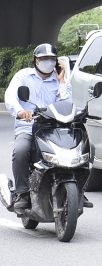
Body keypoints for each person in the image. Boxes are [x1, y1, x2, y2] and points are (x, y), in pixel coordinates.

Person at [4, 44, 71, 212]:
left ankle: (77, 186)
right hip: (28, 127)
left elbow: (67, 104)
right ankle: (22, 193)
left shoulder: (59, 80)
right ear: (35, 60)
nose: (48, 62)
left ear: (57, 62)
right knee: (20, 151)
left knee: (83, 148)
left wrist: (62, 80)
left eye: (51, 59)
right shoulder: (23, 76)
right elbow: (11, 95)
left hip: (53, 130)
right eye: (43, 59)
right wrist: (20, 111)